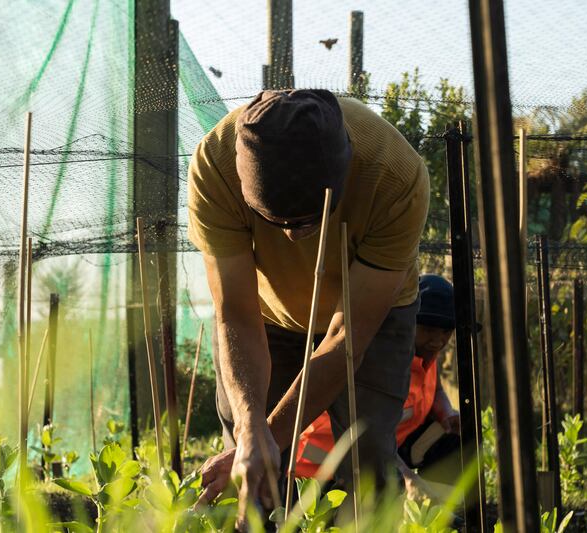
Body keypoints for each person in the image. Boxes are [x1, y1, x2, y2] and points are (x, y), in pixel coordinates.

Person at [186, 89, 429, 524]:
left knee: (367, 452)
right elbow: (236, 314)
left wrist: (271, 435)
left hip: (369, 320)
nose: (296, 238)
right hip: (263, 316)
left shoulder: (394, 174)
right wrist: (250, 431)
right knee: (247, 463)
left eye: (308, 221)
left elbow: (344, 339)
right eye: (275, 221)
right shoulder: (214, 169)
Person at [295, 275, 463, 497]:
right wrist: (407, 476)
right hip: (325, 462)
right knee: (386, 490)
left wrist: (446, 413)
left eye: (446, 332)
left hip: (389, 444)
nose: (438, 340)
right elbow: (369, 437)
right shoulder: (383, 364)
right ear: (408, 324)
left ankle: (444, 511)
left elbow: (436, 388)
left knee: (457, 439)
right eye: (430, 330)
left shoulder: (424, 355)